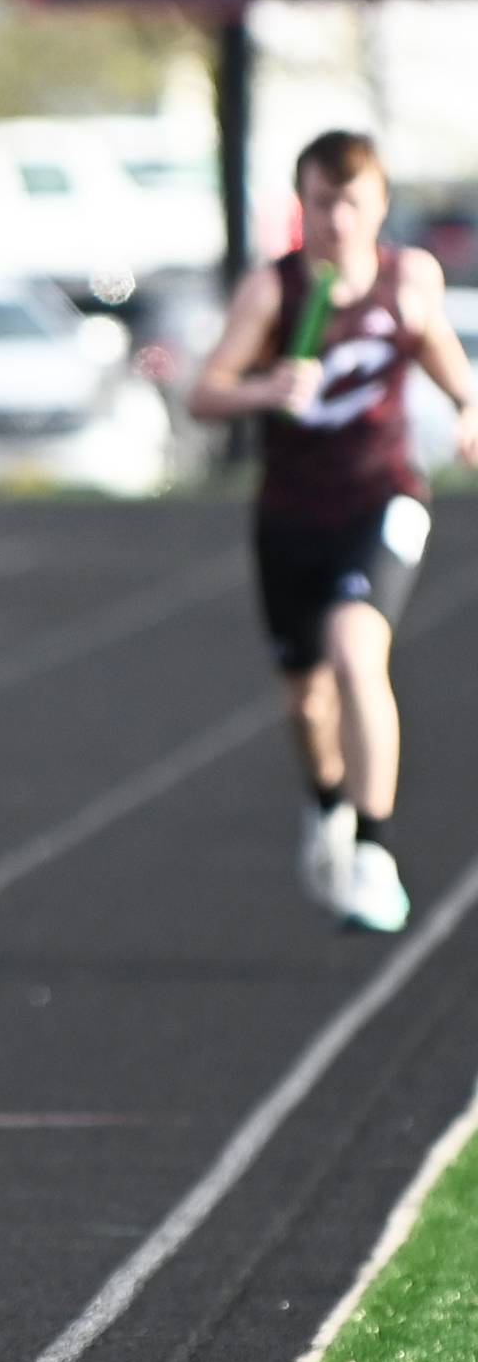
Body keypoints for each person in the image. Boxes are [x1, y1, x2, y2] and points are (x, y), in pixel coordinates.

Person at [190, 129, 478, 932]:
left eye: (352, 202)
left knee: (358, 656)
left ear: (379, 205)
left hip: (382, 496)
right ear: (302, 205)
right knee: (306, 696)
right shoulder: (274, 292)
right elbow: (205, 394)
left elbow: (446, 361)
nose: (337, 220)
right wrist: (265, 389)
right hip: (291, 513)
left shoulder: (407, 279)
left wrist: (467, 408)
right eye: (322, 203)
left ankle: (374, 849)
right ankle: (327, 809)